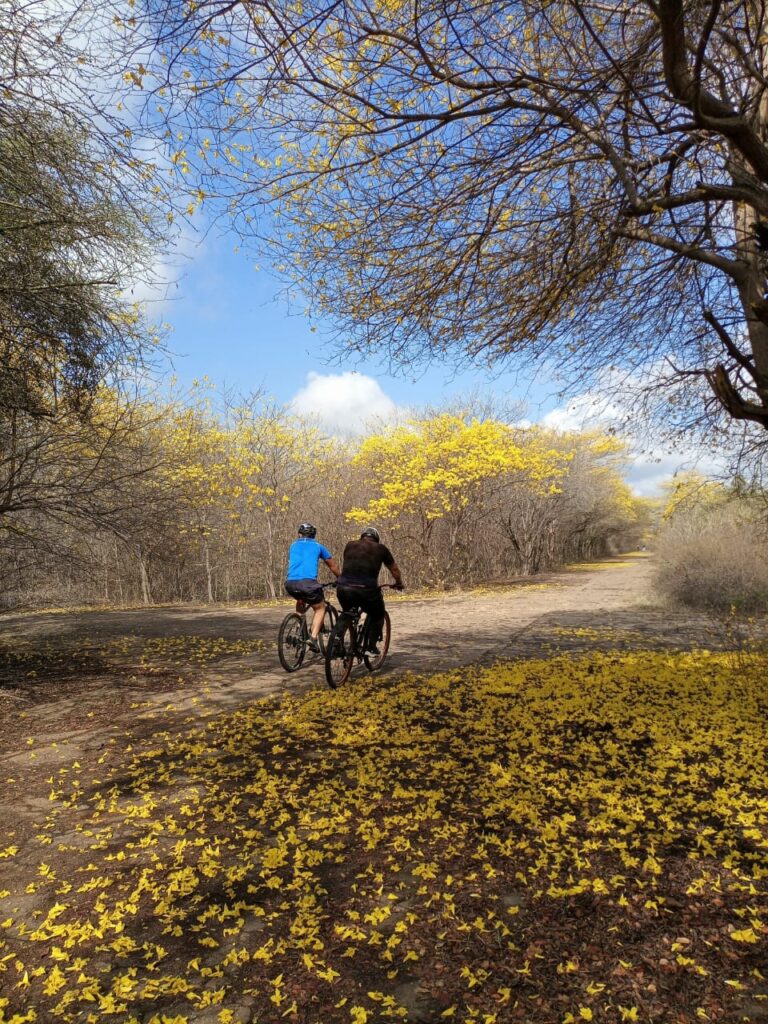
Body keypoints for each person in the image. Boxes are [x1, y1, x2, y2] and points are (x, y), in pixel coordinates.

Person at [337, 527, 404, 654]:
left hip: (343, 588)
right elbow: (394, 569)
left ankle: (335, 642)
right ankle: (370, 646)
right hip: (366, 590)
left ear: (362, 536)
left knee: (347, 612)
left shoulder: (350, 545)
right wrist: (399, 583)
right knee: (378, 613)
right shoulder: (381, 548)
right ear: (376, 539)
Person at [285, 523, 340, 652]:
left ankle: (299, 626)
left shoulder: (293, 545)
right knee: (320, 608)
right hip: (308, 584)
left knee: (301, 599)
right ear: (314, 535)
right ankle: (313, 638)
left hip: (290, 583)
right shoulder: (318, 546)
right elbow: (332, 566)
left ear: (299, 534)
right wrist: (340, 578)